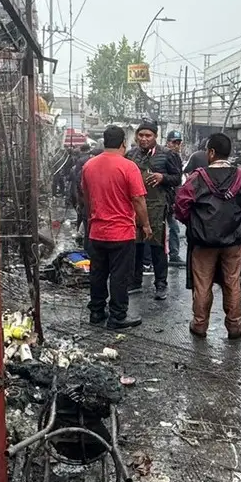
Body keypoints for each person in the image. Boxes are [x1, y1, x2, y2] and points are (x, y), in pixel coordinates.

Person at [175, 132, 241, 339]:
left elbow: (181, 206)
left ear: (211, 152)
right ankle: (235, 326)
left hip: (204, 243)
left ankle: (200, 325)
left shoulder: (198, 178)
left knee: (203, 283)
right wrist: (240, 231)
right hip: (233, 243)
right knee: (232, 281)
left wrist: (194, 225)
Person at [80, 126, 151, 329]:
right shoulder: (129, 167)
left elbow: (86, 197)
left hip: (97, 231)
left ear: (104, 141)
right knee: (120, 276)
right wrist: (145, 224)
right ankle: (118, 316)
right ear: (123, 144)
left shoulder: (89, 166)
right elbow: (138, 199)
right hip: (121, 233)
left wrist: (93, 217)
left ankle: (96, 313)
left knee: (98, 273)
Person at [127, 120, 182, 300]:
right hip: (135, 206)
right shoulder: (131, 155)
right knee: (136, 245)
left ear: (155, 137)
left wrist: (162, 177)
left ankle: (161, 284)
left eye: (148, 136)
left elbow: (177, 178)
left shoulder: (167, 155)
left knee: (157, 247)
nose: (144, 139)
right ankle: (135, 281)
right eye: (141, 135)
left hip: (158, 207)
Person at [165, 130, 186, 264]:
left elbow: (177, 181)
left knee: (174, 227)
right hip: (162, 199)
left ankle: (174, 254)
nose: (176, 145)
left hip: (171, 199)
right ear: (168, 142)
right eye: (174, 142)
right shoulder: (164, 156)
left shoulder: (176, 157)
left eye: (178, 143)